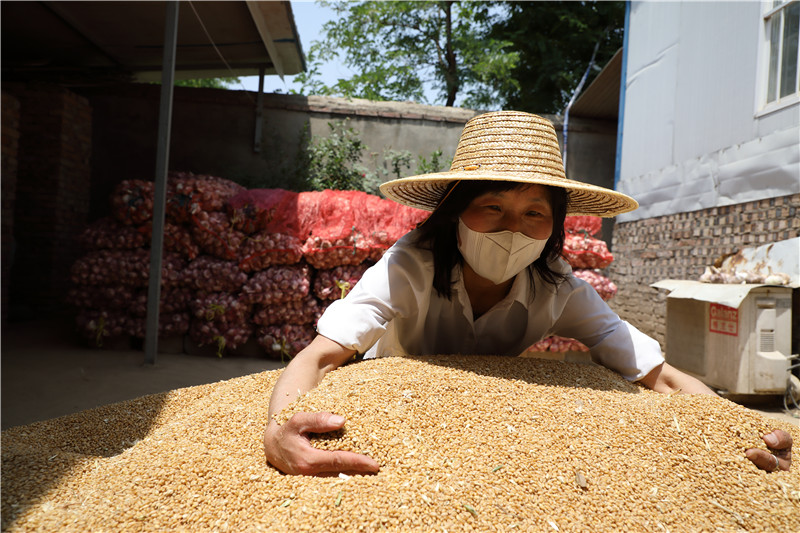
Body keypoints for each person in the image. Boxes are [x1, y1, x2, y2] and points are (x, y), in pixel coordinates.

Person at [264, 111, 793, 476]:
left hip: (491, 437)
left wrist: (733, 431)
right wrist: (280, 429)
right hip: (390, 414)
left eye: (534, 214)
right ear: (454, 216)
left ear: (555, 229)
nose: (513, 229)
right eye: (491, 207)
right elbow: (319, 358)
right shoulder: (410, 264)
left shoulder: (557, 286)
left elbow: (663, 377)